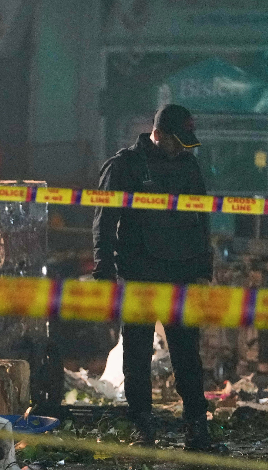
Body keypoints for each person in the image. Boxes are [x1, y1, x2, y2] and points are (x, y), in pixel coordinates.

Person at [92, 103, 211, 450]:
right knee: (137, 357)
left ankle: (197, 428)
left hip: (183, 275)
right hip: (139, 274)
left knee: (188, 355)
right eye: (175, 141)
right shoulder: (124, 166)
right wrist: (104, 273)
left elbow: (203, 220)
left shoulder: (189, 166)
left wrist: (205, 270)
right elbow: (104, 223)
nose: (180, 150)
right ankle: (143, 429)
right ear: (157, 134)